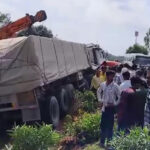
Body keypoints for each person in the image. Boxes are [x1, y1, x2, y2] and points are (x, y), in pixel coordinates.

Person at [97, 70, 120, 147]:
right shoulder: (103, 84)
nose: (113, 77)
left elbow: (120, 97)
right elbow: (98, 91)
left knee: (110, 126)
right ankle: (102, 142)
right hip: (104, 108)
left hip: (111, 109)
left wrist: (114, 104)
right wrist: (100, 100)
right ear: (107, 76)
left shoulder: (115, 86)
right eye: (111, 76)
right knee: (103, 125)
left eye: (113, 76)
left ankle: (109, 143)